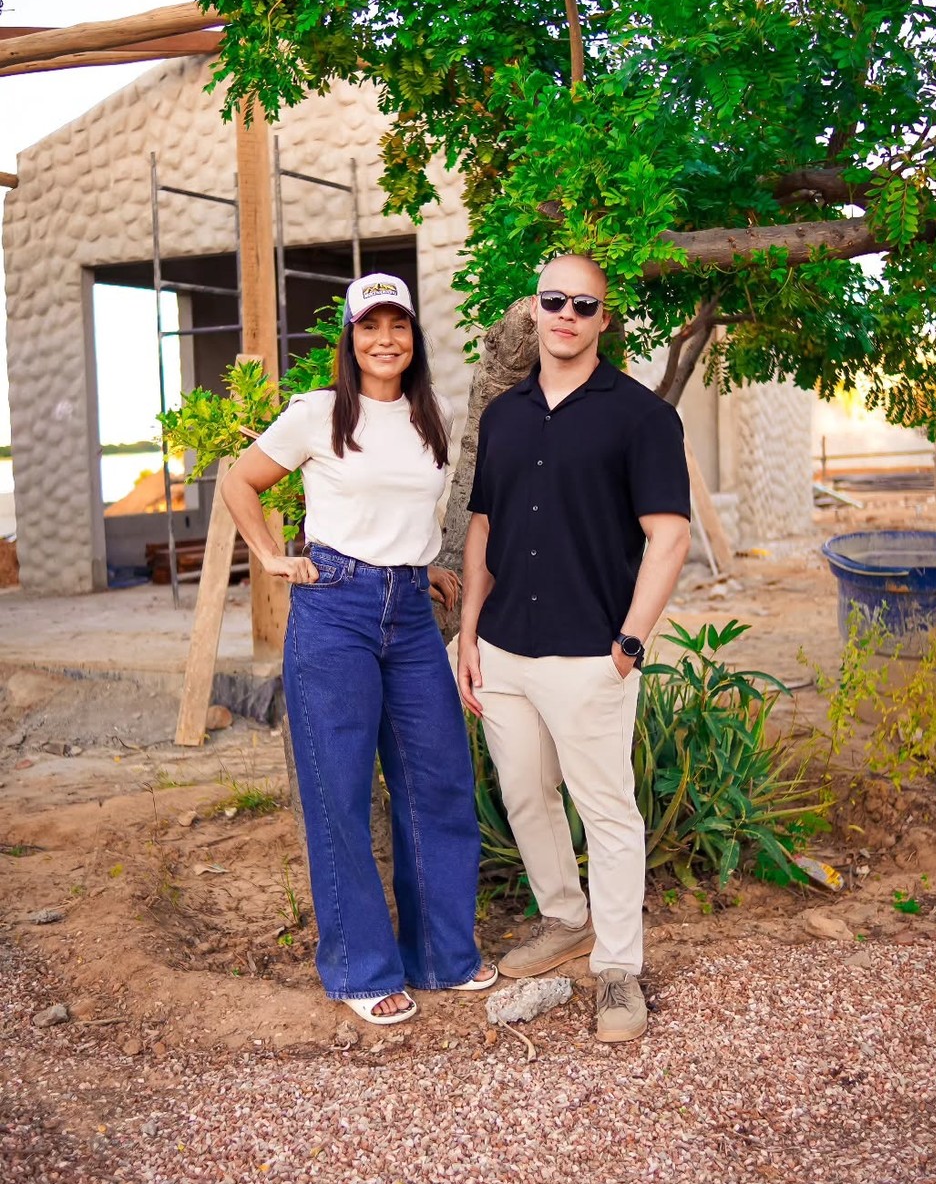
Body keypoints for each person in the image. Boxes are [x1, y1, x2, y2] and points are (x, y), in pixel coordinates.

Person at [222, 272, 496, 1025]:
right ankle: (361, 970)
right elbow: (240, 482)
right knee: (338, 791)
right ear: (350, 337)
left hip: (408, 612)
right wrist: (271, 556)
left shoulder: (432, 415)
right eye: (370, 327)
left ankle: (444, 956)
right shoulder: (316, 415)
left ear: (412, 336)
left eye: (397, 326)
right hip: (335, 609)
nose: (385, 340)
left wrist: (428, 567)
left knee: (437, 782)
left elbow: (410, 509)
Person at [457, 253, 691, 1043]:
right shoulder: (504, 416)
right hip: (505, 651)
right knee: (526, 796)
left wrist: (629, 641)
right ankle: (566, 918)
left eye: (583, 305)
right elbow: (483, 530)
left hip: (592, 655)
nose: (566, 314)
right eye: (553, 299)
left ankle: (618, 969)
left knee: (608, 813)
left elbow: (669, 537)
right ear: (533, 306)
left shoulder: (642, 417)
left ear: (604, 318)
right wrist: (468, 636)